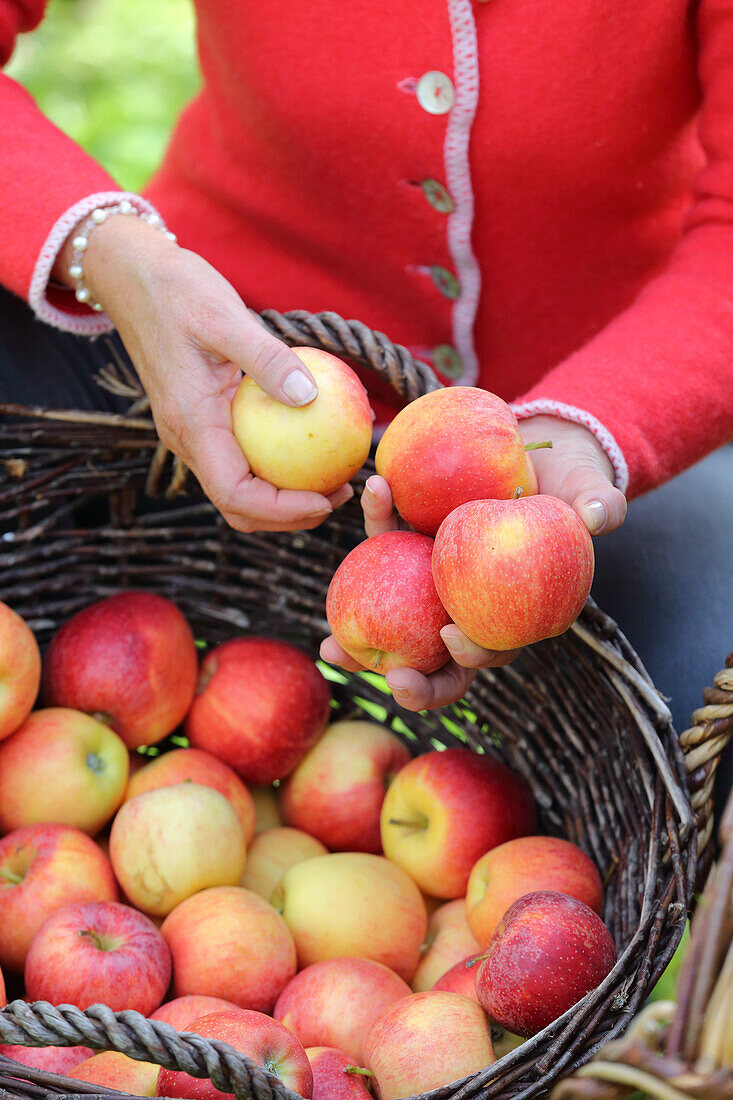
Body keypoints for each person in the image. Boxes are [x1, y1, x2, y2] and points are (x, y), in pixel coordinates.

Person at [1, 2, 732, 757]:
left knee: (686, 709)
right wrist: (112, 257)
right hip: (210, 346)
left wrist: (588, 426)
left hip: (606, 400)